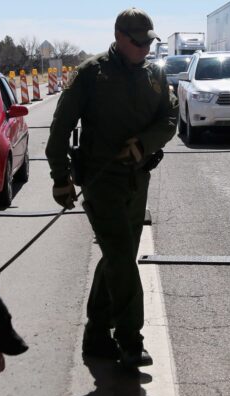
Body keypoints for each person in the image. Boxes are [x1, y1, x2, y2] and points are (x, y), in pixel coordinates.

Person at [46, 7, 178, 368]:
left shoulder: (155, 73)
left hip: (138, 177)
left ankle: (95, 335)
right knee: (120, 257)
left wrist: (144, 143)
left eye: (149, 42)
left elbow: (170, 118)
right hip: (101, 180)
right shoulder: (92, 73)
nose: (145, 49)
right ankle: (130, 340)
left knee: (117, 258)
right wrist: (61, 178)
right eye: (138, 43)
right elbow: (59, 128)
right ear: (119, 37)